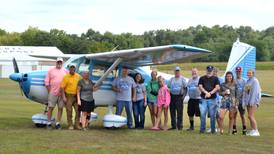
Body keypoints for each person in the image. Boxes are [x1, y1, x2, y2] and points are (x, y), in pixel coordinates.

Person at [45, 57, 67, 129]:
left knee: (60, 108)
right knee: (51, 107)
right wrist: (50, 91)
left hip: (62, 94)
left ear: (62, 63)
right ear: (56, 62)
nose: (59, 63)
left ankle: (58, 123)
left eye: (60, 62)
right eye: (58, 62)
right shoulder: (50, 70)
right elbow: (46, 82)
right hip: (53, 93)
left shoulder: (65, 71)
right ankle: (49, 123)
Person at [198, 65, 220, 134]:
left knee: (212, 115)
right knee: (202, 115)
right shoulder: (202, 78)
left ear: (212, 71)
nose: (209, 72)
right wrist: (206, 92)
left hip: (213, 99)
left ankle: (213, 130)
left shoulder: (216, 78)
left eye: (210, 70)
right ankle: (202, 130)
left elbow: (217, 87)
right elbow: (200, 86)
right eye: (208, 70)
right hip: (203, 99)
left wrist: (210, 93)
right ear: (206, 70)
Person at [61, 64, 81, 130]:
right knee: (69, 111)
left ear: (75, 69)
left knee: (78, 110)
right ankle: (70, 125)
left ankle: (77, 124)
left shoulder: (78, 76)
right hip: (69, 96)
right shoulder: (66, 77)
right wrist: (64, 97)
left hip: (76, 96)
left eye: (73, 68)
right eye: (71, 68)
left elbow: (82, 84)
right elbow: (62, 88)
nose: (72, 69)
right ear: (69, 69)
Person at [243, 69, 261, 136]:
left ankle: (256, 131)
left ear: (253, 74)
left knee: (251, 116)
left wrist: (252, 101)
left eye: (250, 73)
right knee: (249, 116)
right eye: (248, 73)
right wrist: (245, 101)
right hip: (248, 102)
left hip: (253, 102)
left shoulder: (255, 81)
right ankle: (252, 130)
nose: (248, 74)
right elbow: (246, 92)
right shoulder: (248, 81)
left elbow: (255, 92)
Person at [168, 66, 187, 130]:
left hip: (179, 97)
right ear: (174, 72)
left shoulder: (182, 79)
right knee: (172, 112)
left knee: (179, 112)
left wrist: (183, 97)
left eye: (178, 71)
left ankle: (180, 126)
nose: (177, 72)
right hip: (172, 97)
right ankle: (173, 126)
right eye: (176, 71)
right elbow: (168, 88)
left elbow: (186, 88)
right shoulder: (171, 79)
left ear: (180, 72)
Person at [233, 66, 247, 135]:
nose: (238, 72)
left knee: (242, 115)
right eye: (237, 71)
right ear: (235, 72)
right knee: (234, 115)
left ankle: (244, 129)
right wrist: (235, 100)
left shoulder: (244, 81)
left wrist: (239, 98)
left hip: (242, 101)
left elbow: (245, 91)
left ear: (241, 72)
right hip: (235, 101)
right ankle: (234, 129)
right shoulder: (234, 80)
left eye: (239, 71)